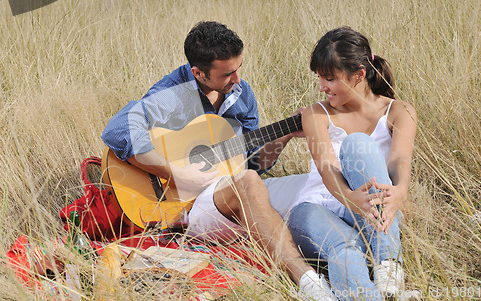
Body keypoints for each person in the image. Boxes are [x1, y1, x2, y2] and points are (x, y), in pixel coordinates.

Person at [101, 21, 335, 301]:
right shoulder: (172, 95)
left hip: (229, 189)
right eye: (227, 73)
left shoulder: (241, 95)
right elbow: (116, 130)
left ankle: (369, 265)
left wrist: (284, 136)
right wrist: (177, 174)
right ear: (198, 72)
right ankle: (309, 283)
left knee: (321, 183)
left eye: (238, 68)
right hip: (183, 205)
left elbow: (255, 164)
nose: (237, 79)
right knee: (248, 183)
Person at [270, 27, 417, 300]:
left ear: (359, 74)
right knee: (346, 249)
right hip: (317, 207)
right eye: (319, 78)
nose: (321, 87)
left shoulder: (399, 110)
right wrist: (349, 199)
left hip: (374, 210)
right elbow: (325, 164)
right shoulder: (316, 113)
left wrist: (401, 191)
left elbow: (400, 159)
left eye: (329, 78)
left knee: (358, 145)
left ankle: (388, 264)